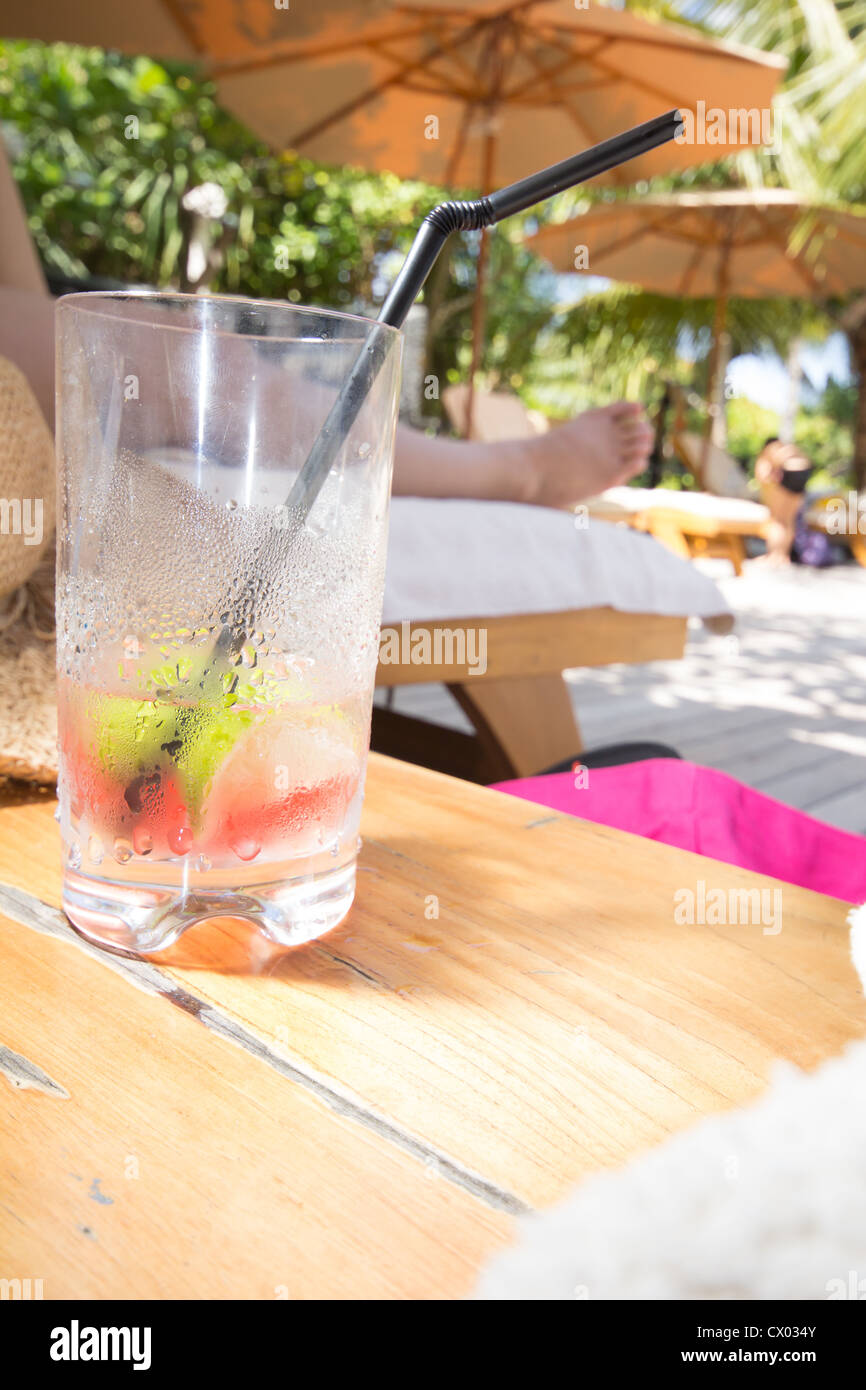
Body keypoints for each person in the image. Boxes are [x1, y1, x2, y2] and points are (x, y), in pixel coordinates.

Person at [754, 436, 813, 567]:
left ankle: (773, 556)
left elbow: (763, 476)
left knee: (777, 521)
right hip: (800, 478)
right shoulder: (791, 449)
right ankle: (783, 556)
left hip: (785, 478)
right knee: (789, 521)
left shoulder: (769, 451)